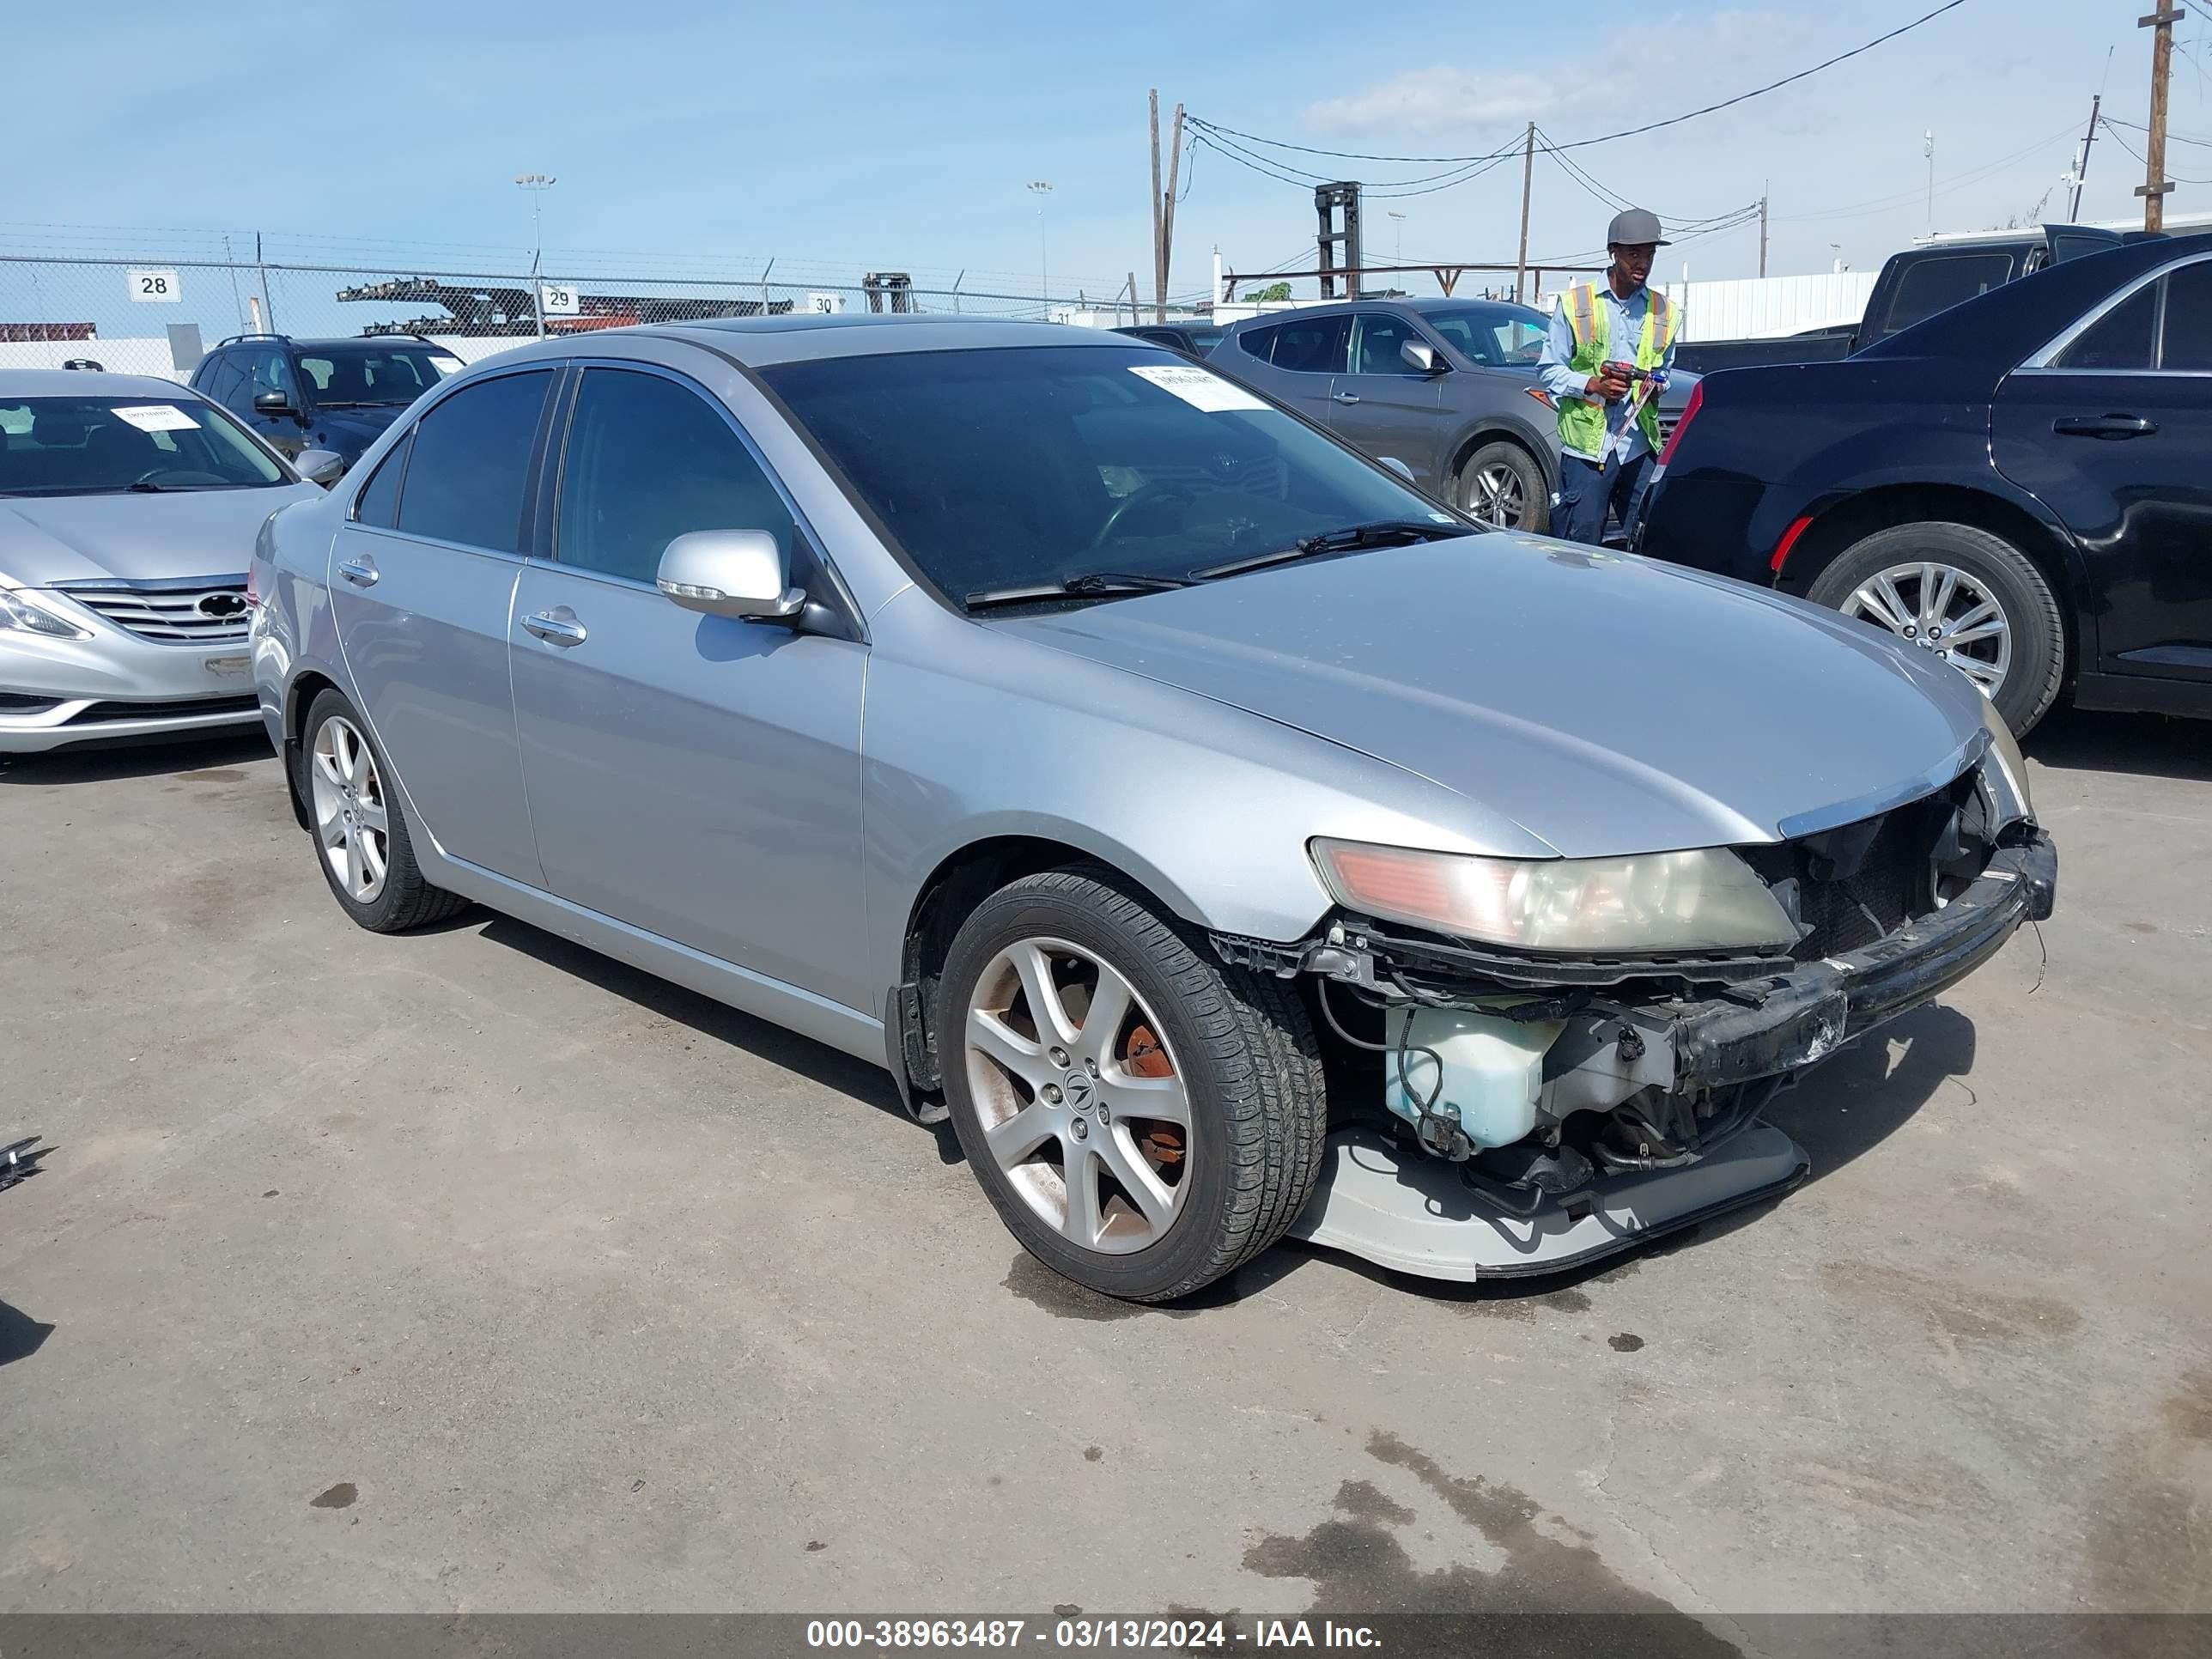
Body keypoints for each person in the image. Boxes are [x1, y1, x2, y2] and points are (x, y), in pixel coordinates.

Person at [1538, 207, 1680, 545]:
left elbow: (1664, 372)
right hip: (1588, 450)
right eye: (1634, 254)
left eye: (1649, 254)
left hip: (1637, 447)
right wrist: (1592, 385)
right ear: (1613, 252)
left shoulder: (1664, 311)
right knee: (1580, 547)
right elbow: (1548, 368)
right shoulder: (1576, 304)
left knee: (1649, 541)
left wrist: (1655, 385)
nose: (1643, 263)